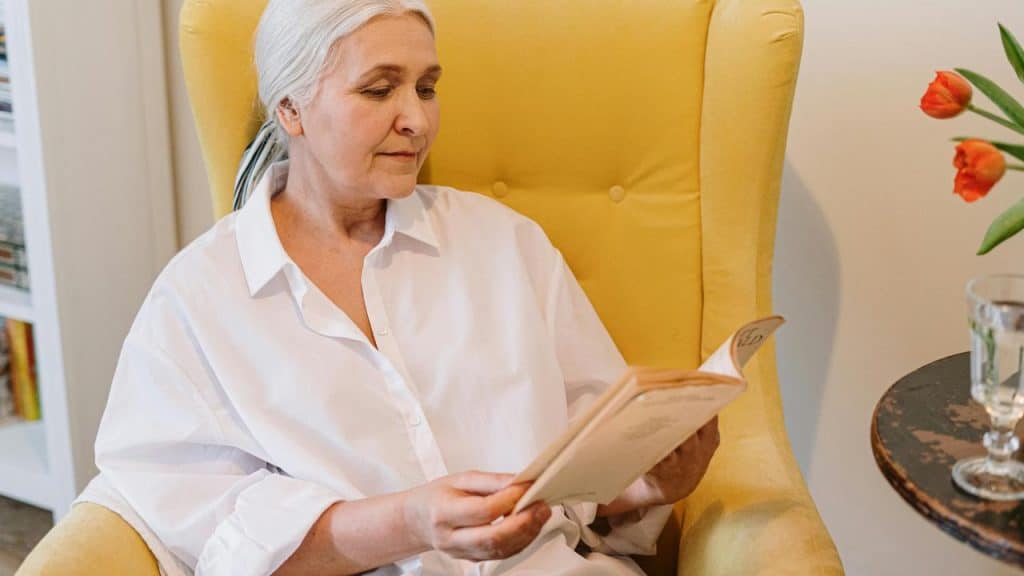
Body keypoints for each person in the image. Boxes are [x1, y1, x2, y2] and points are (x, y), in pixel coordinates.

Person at [78, 1, 720, 574]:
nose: (416, 119)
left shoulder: (502, 243)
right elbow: (207, 530)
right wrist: (409, 522)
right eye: (379, 89)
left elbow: (583, 463)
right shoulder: (201, 298)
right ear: (291, 109)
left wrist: (649, 484)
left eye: (427, 87)